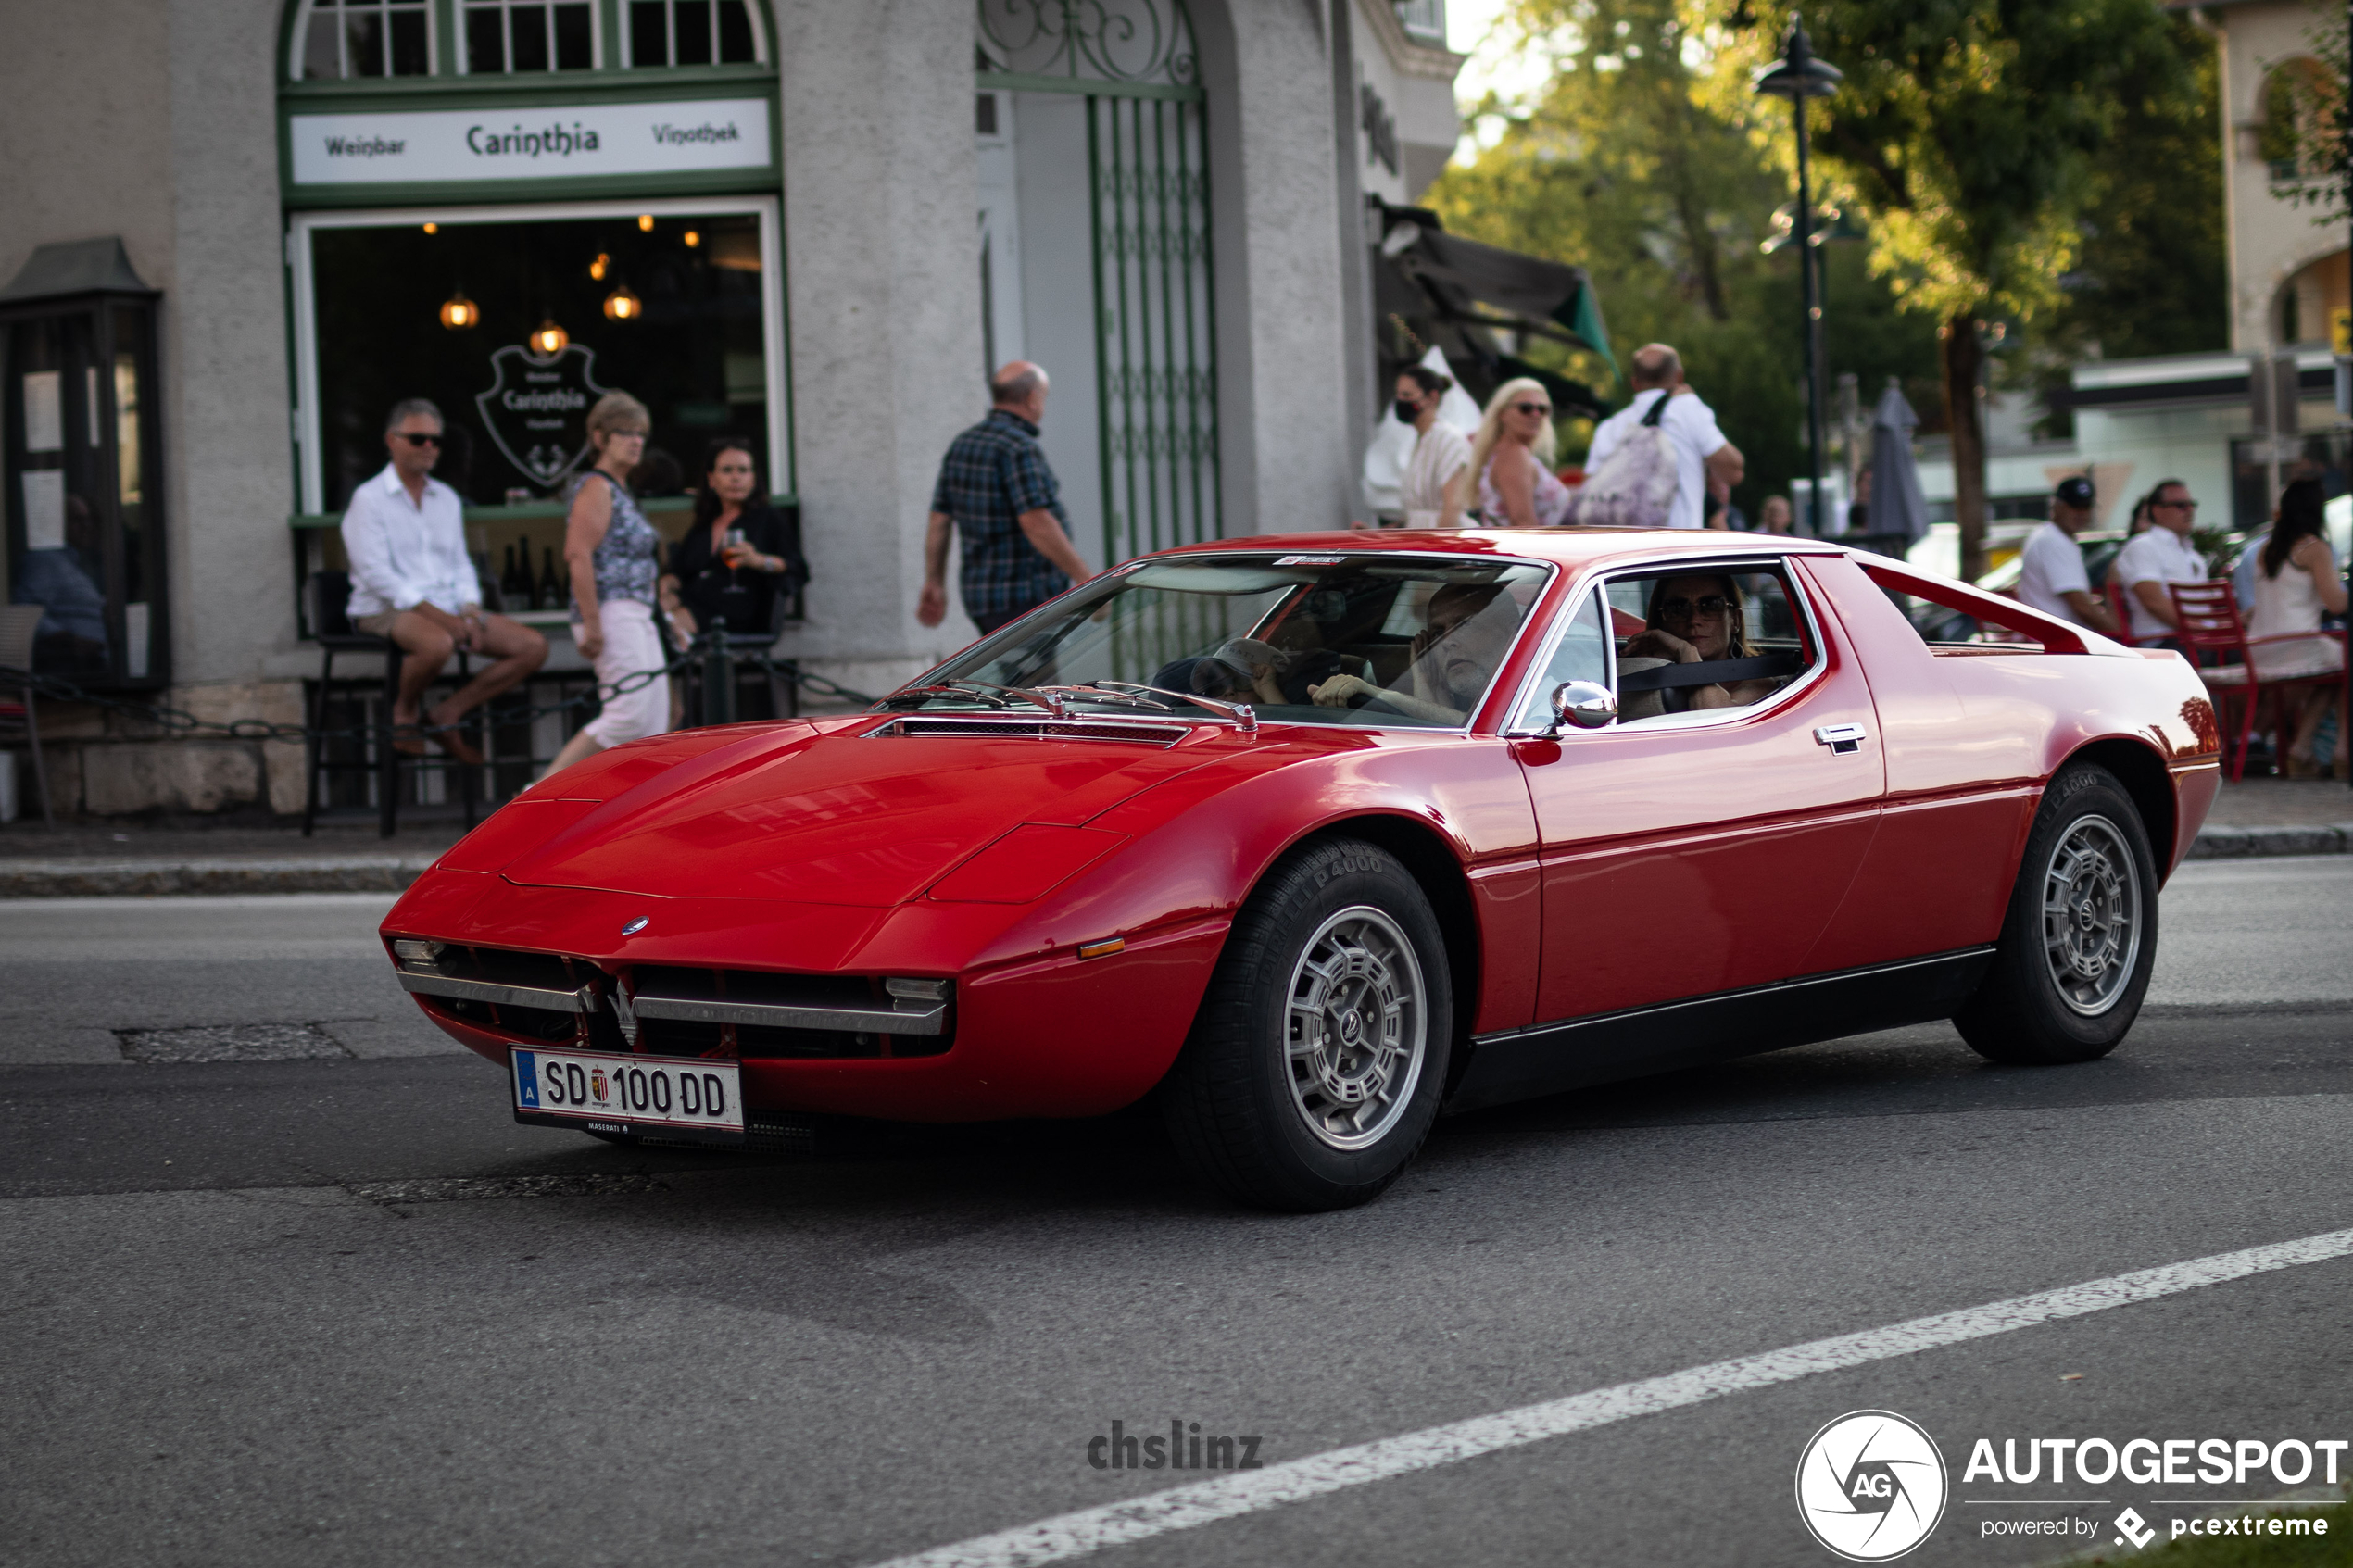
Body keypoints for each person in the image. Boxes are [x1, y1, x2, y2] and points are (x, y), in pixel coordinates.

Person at [341, 397, 547, 764]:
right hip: (383, 607)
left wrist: (468, 607)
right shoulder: (368, 499)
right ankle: (404, 714)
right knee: (437, 644)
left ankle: (447, 714)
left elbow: (460, 564)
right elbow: (377, 576)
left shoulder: (446, 498)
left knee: (532, 647)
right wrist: (445, 619)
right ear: (392, 440)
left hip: (448, 608)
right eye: (418, 439)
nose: (430, 447)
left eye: (436, 440)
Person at [543, 392, 669, 778]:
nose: (635, 441)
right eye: (624, 432)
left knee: (653, 723)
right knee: (627, 717)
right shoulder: (596, 486)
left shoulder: (620, 490)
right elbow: (577, 554)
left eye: (640, 434)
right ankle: (539, 795)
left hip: (637, 613)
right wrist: (592, 623)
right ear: (599, 438)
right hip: (611, 611)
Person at [919, 361, 1093, 636]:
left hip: (981, 598)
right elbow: (1036, 521)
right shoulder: (1018, 447)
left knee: (1007, 677)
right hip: (1023, 596)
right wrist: (1085, 579)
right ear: (1032, 398)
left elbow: (939, 520)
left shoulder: (964, 443)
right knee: (1036, 678)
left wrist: (934, 581)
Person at [1580, 344, 1744, 531]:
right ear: (1679, 376)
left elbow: (1591, 491)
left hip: (1621, 550)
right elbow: (1734, 472)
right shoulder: (1687, 409)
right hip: (1677, 549)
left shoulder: (1609, 428)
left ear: (1634, 383)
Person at [1308, 583, 1522, 723]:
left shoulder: (1545, 695)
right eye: (1438, 633)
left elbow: (1491, 733)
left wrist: (1380, 695)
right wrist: (1426, 693)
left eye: (1465, 624)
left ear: (1514, 632)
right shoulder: (1452, 701)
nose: (1446, 642)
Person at [2247, 478, 2347, 779]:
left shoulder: (2266, 550)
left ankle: (2302, 748)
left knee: (2332, 673)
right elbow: (2336, 604)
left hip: (2260, 651)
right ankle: (2342, 751)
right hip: (2295, 648)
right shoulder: (2314, 549)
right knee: (2345, 663)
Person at [661, 438, 808, 639]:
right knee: (655, 610)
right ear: (712, 479)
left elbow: (797, 567)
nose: (736, 477)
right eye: (727, 470)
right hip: (695, 603)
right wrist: (667, 584)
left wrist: (758, 561)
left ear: (753, 478)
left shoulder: (767, 518)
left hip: (736, 610)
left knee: (661, 627)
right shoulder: (705, 524)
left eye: (743, 470)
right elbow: (681, 571)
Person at [1620, 574, 1783, 712]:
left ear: (1735, 621)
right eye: (1677, 608)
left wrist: (1686, 652)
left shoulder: (1757, 683)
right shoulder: (1640, 673)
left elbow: (1719, 727)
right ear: (1661, 622)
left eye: (1711, 606)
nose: (1694, 620)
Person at [2015, 476, 2121, 635]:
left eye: (2086, 507)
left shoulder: (2048, 535)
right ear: (2056, 506)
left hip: (2051, 640)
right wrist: (2118, 633)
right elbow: (2082, 607)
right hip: (2058, 643)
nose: (2081, 513)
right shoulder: (2053, 541)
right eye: (2074, 506)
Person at [2108, 478, 2207, 646]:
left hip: (2196, 641)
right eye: (2181, 505)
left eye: (2192, 504)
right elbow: (2153, 602)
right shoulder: (2142, 546)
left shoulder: (2192, 555)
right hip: (2165, 644)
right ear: (2157, 510)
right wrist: (2203, 630)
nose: (2189, 510)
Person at [1469, 379, 1571, 527]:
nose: (1536, 414)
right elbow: (1522, 523)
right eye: (1526, 408)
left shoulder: (1503, 453)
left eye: (1542, 409)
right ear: (1502, 413)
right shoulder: (1514, 455)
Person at [1394, 366, 1473, 529]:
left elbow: (1453, 507)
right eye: (1398, 395)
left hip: (1441, 541)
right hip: (1421, 539)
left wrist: (1437, 550)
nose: (1400, 400)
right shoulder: (1417, 440)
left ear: (1432, 398)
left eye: (1407, 395)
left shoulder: (1449, 439)